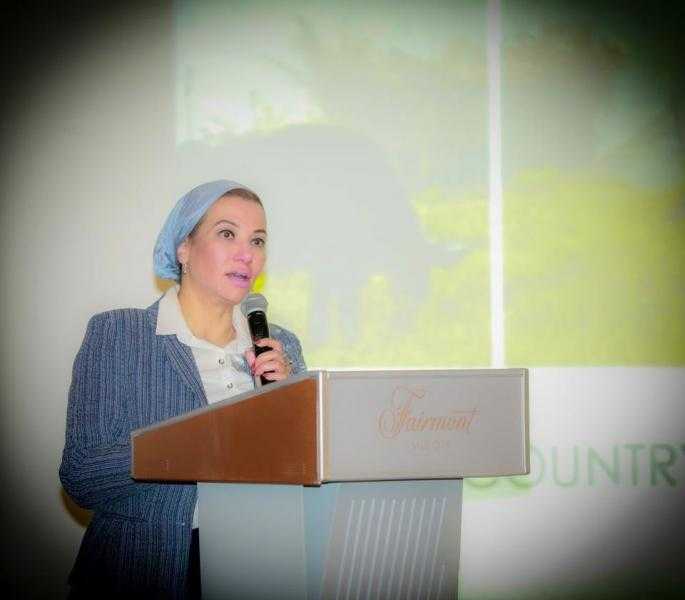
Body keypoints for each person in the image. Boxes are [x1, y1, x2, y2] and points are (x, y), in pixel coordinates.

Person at [59, 180, 306, 599]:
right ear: (183, 248)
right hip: (144, 571)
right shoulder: (120, 334)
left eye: (257, 240)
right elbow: (82, 476)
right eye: (227, 233)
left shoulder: (282, 348)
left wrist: (289, 408)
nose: (247, 254)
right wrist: (198, 442)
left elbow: (306, 472)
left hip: (259, 565)